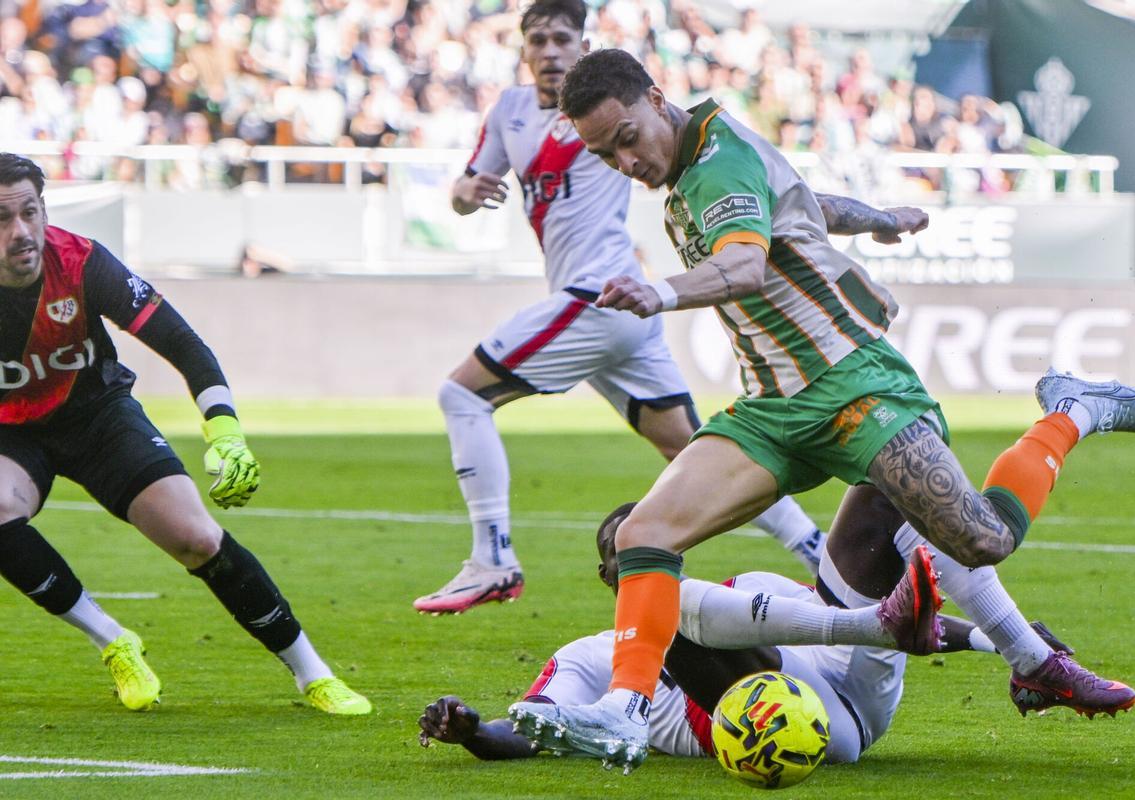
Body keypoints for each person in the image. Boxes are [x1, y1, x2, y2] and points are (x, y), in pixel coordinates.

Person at [508, 48, 1135, 772]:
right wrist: (873, 217)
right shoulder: (702, 168)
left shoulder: (717, 162)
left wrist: (660, 293)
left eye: (627, 138)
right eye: (606, 155)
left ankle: (1072, 411)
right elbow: (802, 206)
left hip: (854, 387)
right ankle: (623, 711)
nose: (625, 162)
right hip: (773, 406)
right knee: (643, 535)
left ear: (657, 99)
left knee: (985, 539)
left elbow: (747, 265)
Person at [414, 0, 826, 615]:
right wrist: (463, 192)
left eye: (562, 39)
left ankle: (492, 558)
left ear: (582, 48)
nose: (550, 51)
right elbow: (465, 192)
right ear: (523, 49)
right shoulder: (508, 112)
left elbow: (663, 135)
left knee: (461, 395)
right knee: (696, 455)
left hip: (595, 295)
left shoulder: (605, 118)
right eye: (539, 40)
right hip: (620, 310)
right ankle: (821, 554)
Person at [0, 153, 369, 715]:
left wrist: (225, 432)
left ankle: (312, 674)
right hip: (11, 434)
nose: (20, 232)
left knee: (196, 539)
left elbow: (186, 346)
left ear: (45, 209)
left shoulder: (81, 262)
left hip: (97, 415)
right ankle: (113, 641)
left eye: (29, 212)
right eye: (3, 220)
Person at [420, 504, 1074, 767]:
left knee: (878, 500)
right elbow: (534, 727)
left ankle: (1025, 653)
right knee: (680, 613)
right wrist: (475, 732)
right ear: (607, 572)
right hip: (788, 726)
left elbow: (899, 624)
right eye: (631, 548)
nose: (650, 553)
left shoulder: (747, 591)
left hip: (861, 695)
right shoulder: (586, 657)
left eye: (659, 540)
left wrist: (999, 644)